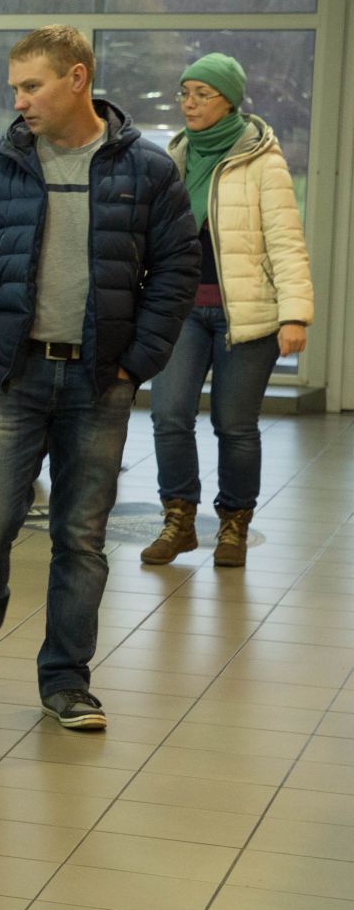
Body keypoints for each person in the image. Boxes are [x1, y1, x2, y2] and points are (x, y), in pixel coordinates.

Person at [0, 25, 197, 732]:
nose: (19, 100)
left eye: (32, 86)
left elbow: (178, 270)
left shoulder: (147, 170)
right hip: (11, 378)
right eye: (15, 87)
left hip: (99, 384)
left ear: (76, 79)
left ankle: (66, 680)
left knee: (81, 537)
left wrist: (137, 359)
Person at [140, 54, 312, 569]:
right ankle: (179, 519)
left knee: (234, 425)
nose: (189, 103)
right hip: (181, 312)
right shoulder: (175, 157)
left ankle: (234, 524)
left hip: (248, 316)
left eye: (202, 94)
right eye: (184, 92)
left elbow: (286, 242)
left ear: (230, 101)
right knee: (169, 416)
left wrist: (295, 314)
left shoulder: (263, 161)